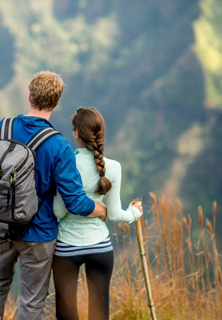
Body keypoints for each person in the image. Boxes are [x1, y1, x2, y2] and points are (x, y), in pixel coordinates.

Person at [0, 71, 108, 320]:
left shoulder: (1, 128)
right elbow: (75, 202)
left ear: (29, 96)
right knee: (32, 302)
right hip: (38, 235)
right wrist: (102, 210)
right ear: (56, 103)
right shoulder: (59, 146)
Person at [52, 107, 143, 320]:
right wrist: (134, 213)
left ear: (76, 133)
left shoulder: (66, 164)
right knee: (99, 313)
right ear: (101, 133)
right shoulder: (113, 167)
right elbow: (114, 214)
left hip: (67, 248)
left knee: (66, 313)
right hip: (100, 248)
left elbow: (58, 210)